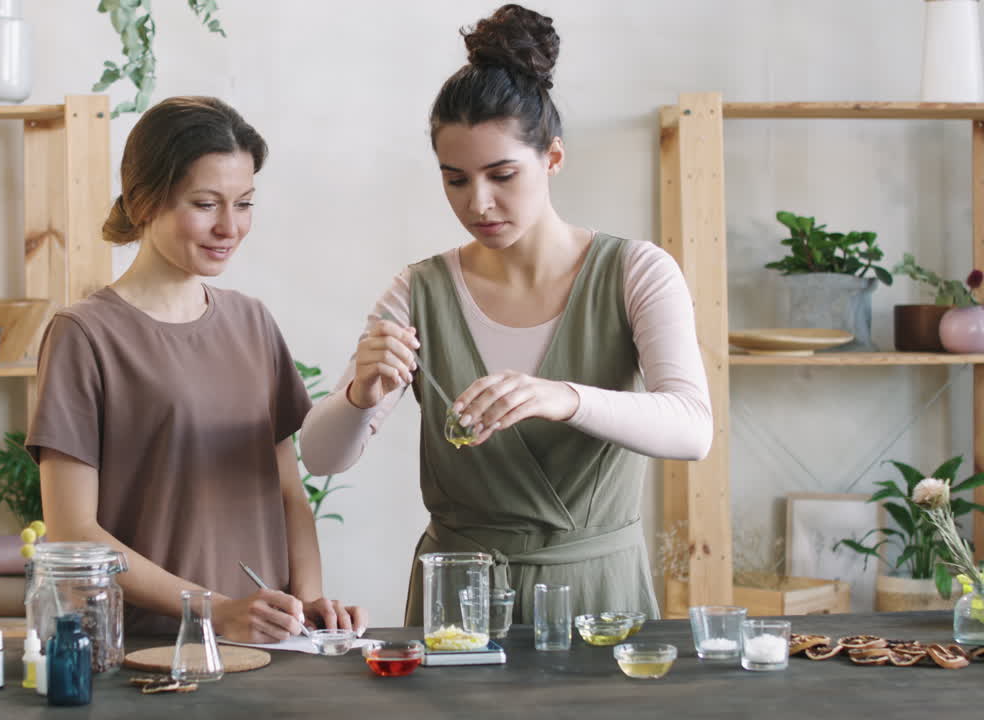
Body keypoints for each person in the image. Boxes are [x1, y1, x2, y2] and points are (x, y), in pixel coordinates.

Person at [300, 4, 712, 623]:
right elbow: (323, 457)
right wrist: (361, 394)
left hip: (597, 598)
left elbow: (692, 429)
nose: (480, 203)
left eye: (502, 175)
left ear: (553, 157)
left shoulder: (636, 272)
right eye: (456, 180)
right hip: (457, 601)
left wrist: (562, 397)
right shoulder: (417, 290)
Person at [27, 96, 366, 641]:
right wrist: (213, 609)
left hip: (268, 647)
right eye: (206, 204)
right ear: (145, 201)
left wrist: (308, 604)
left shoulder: (253, 323)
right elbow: (73, 531)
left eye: (245, 203)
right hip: (150, 651)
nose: (229, 227)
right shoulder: (84, 335)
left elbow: (288, 494)